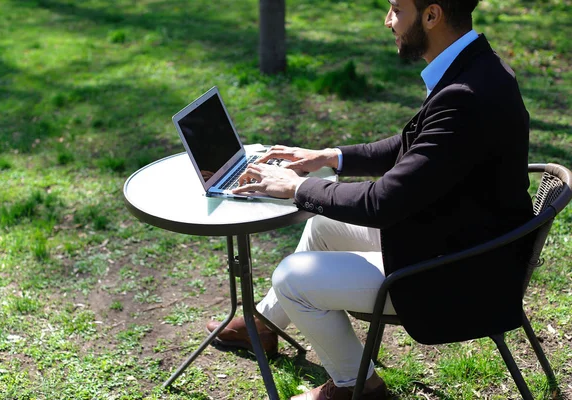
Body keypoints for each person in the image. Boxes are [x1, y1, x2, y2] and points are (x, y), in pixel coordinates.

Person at [206, 0, 534, 398]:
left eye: (396, 9)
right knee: (323, 227)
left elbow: (383, 202)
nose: (387, 21)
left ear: (431, 16)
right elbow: (413, 146)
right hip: (461, 237)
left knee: (291, 277)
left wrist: (295, 187)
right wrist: (329, 158)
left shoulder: (465, 95)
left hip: (459, 275)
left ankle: (357, 387)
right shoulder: (477, 68)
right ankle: (266, 325)